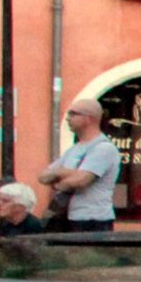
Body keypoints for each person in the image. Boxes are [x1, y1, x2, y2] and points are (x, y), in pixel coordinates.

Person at [37, 99, 121, 233]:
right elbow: (43, 177)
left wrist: (60, 180)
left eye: (73, 114)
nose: (67, 118)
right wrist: (67, 173)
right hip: (67, 217)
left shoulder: (104, 148)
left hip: (93, 220)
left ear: (89, 118)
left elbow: (81, 181)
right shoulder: (74, 149)